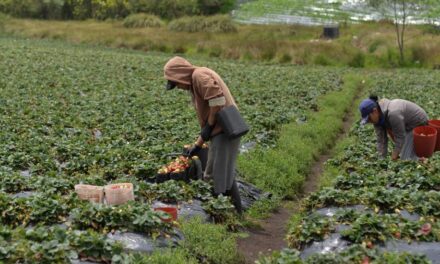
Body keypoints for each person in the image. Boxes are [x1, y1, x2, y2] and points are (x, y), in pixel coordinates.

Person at [163, 56, 242, 214]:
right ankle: (238, 213)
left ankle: (220, 215)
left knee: (212, 175)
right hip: (222, 130)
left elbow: (217, 100)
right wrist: (197, 145)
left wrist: (210, 125)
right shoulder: (196, 77)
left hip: (224, 131)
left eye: (176, 83)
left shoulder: (199, 76)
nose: (178, 87)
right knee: (223, 170)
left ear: (180, 75)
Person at [359, 95, 428, 161]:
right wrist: (381, 160)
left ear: (375, 111)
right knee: (402, 151)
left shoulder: (393, 113)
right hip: (405, 126)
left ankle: (419, 158)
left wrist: (395, 153)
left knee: (406, 160)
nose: (369, 122)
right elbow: (381, 140)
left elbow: (400, 137)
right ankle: (415, 155)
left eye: (369, 119)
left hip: (418, 124)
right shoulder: (377, 120)